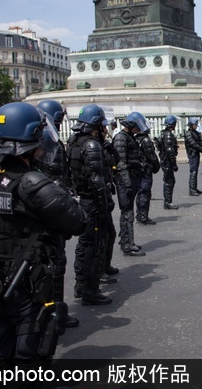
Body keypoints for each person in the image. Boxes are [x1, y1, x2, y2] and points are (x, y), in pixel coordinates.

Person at [0, 102, 86, 371]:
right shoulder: (31, 182)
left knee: (2, 336)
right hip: (27, 279)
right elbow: (78, 221)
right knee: (33, 340)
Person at [36, 99, 79, 328]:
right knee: (54, 264)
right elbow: (54, 177)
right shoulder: (47, 141)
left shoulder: (39, 140)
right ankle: (55, 313)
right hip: (49, 210)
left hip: (43, 209)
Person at [67, 104, 114, 305]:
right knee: (94, 246)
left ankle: (80, 285)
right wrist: (105, 206)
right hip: (93, 202)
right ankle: (90, 291)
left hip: (82, 199)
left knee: (84, 244)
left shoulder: (73, 142)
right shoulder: (92, 145)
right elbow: (97, 180)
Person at [113, 112, 146, 256]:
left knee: (128, 211)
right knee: (127, 212)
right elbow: (120, 163)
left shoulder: (128, 137)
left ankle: (126, 239)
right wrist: (127, 184)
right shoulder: (121, 138)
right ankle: (127, 244)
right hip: (125, 180)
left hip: (131, 178)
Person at [100, 119, 120, 282]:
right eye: (104, 127)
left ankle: (104, 267)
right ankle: (91, 280)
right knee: (96, 239)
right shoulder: (91, 146)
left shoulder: (102, 145)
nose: (106, 130)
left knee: (109, 234)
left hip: (103, 197)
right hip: (96, 200)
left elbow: (115, 160)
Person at [135, 114, 160, 224]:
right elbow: (152, 156)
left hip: (138, 169)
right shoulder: (145, 140)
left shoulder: (135, 139)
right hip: (145, 169)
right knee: (145, 192)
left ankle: (139, 214)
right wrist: (156, 166)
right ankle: (143, 216)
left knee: (140, 192)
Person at [156, 115, 180, 209]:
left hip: (164, 160)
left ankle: (168, 201)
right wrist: (174, 164)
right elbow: (170, 151)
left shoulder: (164, 133)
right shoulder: (168, 134)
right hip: (167, 161)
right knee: (169, 181)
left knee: (169, 180)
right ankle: (167, 202)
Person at [184, 117, 202, 196]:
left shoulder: (195, 132)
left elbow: (199, 141)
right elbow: (193, 144)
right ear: (191, 125)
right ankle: (192, 189)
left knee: (195, 171)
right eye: (195, 124)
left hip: (196, 153)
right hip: (192, 154)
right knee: (193, 171)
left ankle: (194, 187)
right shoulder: (188, 133)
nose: (196, 125)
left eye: (196, 124)